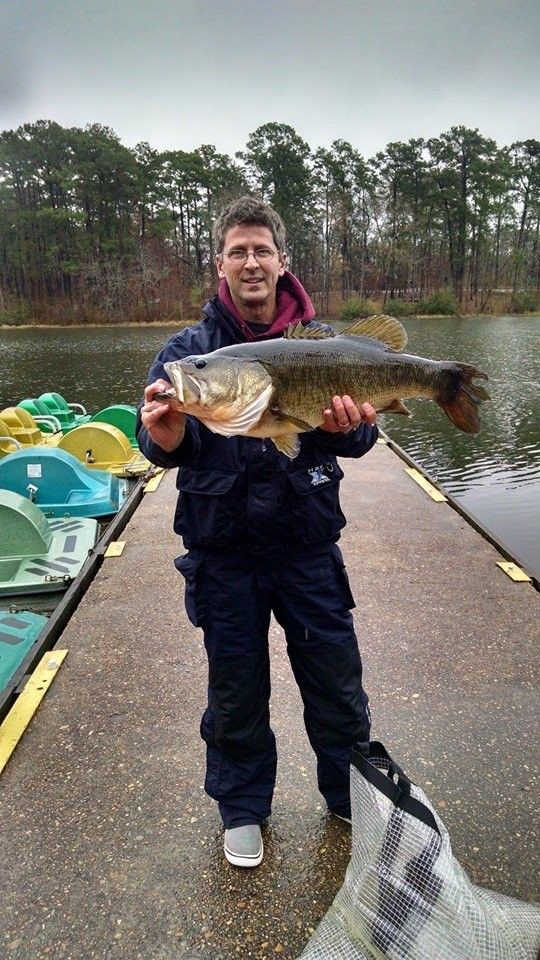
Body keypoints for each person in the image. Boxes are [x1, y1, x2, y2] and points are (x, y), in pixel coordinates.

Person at [137, 196, 378, 868]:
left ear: (280, 262)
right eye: (237, 251)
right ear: (221, 264)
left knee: (334, 677)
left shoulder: (323, 341)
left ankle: (348, 791)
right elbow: (158, 437)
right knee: (236, 687)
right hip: (224, 554)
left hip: (307, 546)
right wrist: (161, 433)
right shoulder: (188, 354)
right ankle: (242, 806)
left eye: (261, 250)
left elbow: (362, 437)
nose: (250, 262)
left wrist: (348, 424)